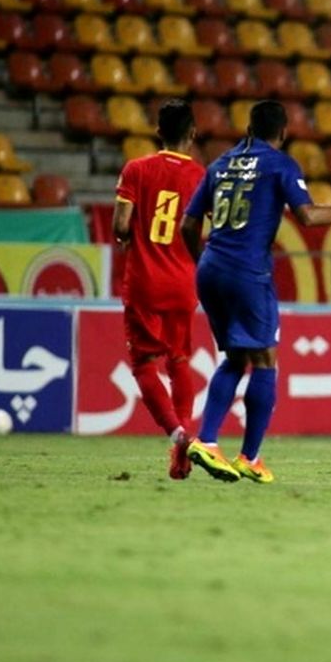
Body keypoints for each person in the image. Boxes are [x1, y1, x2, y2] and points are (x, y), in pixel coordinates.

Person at [180, 100, 331, 483]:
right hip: (248, 273)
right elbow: (308, 216)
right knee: (265, 360)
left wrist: (206, 261)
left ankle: (207, 440)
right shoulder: (280, 163)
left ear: (249, 129)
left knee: (237, 358)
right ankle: (248, 456)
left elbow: (188, 225)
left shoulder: (219, 164)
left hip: (210, 269)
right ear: (283, 133)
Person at [112, 99, 205, 480]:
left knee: (144, 363)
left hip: (145, 282)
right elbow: (205, 230)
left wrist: (127, 237)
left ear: (158, 132)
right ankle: (183, 441)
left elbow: (121, 225)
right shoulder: (202, 175)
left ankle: (177, 431)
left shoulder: (137, 169)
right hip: (184, 282)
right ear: (193, 134)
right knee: (180, 360)